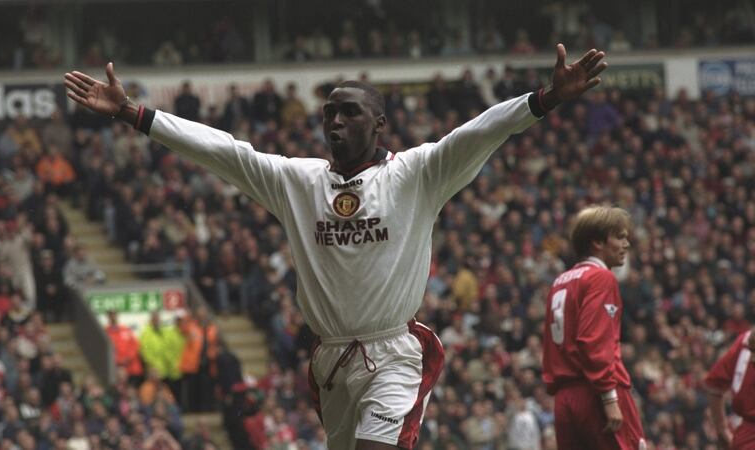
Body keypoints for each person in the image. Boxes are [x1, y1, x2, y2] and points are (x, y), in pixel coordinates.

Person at [64, 43, 607, 450]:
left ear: (379, 124)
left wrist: (545, 99)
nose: (336, 121)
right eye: (329, 113)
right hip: (330, 360)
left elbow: (481, 132)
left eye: (349, 112)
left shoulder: (417, 174)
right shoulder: (297, 182)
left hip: (393, 354)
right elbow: (222, 151)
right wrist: (134, 114)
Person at [541, 205, 646, 449]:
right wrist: (609, 397)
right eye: (620, 237)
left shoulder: (559, 282)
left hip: (564, 400)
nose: (627, 244)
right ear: (597, 242)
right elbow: (593, 341)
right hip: (594, 393)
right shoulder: (601, 278)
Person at [705, 327, 755, 449]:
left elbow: (714, 384)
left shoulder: (745, 340)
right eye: (751, 351)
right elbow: (714, 383)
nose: (751, 359)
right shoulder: (745, 340)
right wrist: (722, 429)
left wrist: (722, 430)